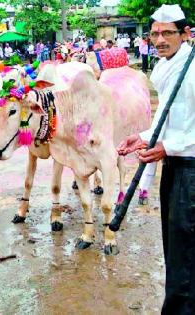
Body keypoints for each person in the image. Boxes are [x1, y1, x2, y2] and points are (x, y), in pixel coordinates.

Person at [117, 4, 194, 314]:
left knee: (185, 260)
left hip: (190, 171)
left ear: (185, 33)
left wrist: (168, 146)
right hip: (175, 167)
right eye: (155, 33)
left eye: (168, 33)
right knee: (176, 251)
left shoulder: (191, 72)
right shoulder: (168, 66)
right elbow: (172, 118)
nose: (160, 39)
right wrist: (146, 136)